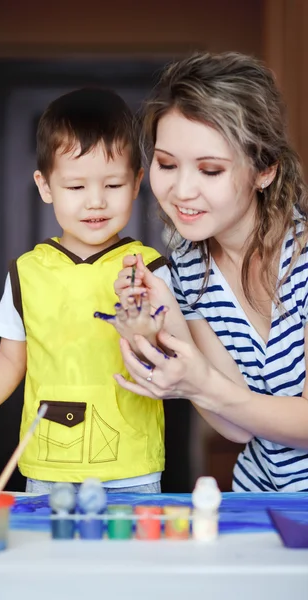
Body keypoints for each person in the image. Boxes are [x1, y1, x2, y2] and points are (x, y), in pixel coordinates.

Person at [0, 88, 172, 494]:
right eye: (76, 188)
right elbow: (10, 361)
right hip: (46, 464)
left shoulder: (148, 269)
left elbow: (170, 357)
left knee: (123, 559)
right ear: (45, 187)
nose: (95, 202)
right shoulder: (27, 272)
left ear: (136, 184)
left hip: (131, 467)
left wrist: (143, 325)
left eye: (112, 185)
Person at [102, 51, 308, 492]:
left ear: (265, 169)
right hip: (260, 500)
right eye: (167, 164)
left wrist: (200, 383)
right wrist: (166, 316)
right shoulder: (188, 269)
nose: (181, 191)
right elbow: (236, 427)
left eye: (210, 170)